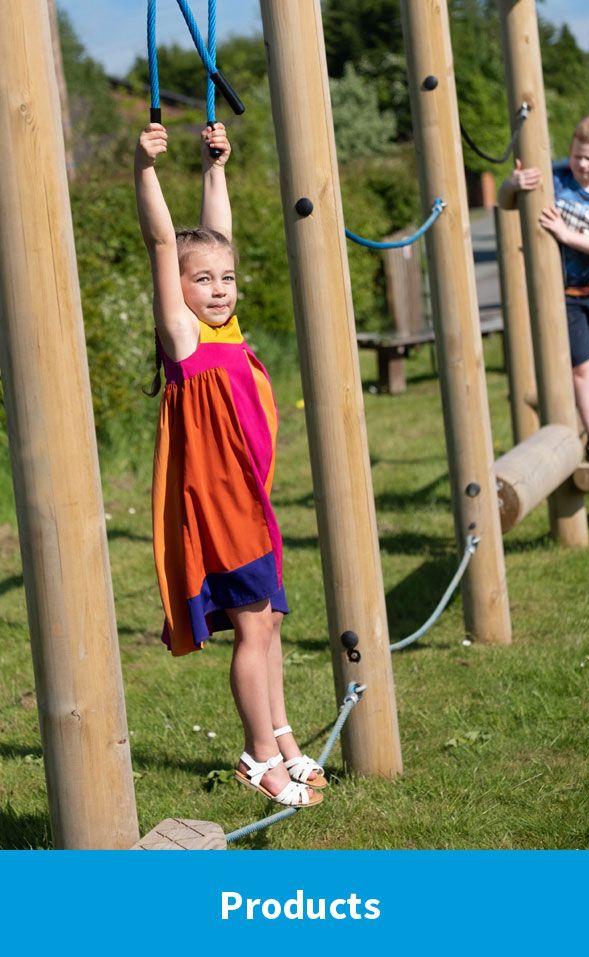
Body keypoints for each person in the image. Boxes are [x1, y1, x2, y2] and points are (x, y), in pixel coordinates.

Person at [134, 120, 325, 807]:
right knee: (252, 623)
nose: (218, 288)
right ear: (178, 291)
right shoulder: (185, 338)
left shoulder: (227, 328)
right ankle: (258, 754)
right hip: (220, 508)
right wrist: (144, 171)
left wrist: (216, 169)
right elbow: (164, 241)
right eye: (202, 280)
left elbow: (217, 233)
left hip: (254, 498)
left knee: (269, 620)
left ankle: (284, 735)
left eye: (227, 279)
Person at [498, 115, 589, 462]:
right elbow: (506, 202)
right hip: (566, 295)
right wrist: (513, 184)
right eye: (577, 156)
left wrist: (567, 235)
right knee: (582, 367)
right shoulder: (557, 177)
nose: (582, 165)